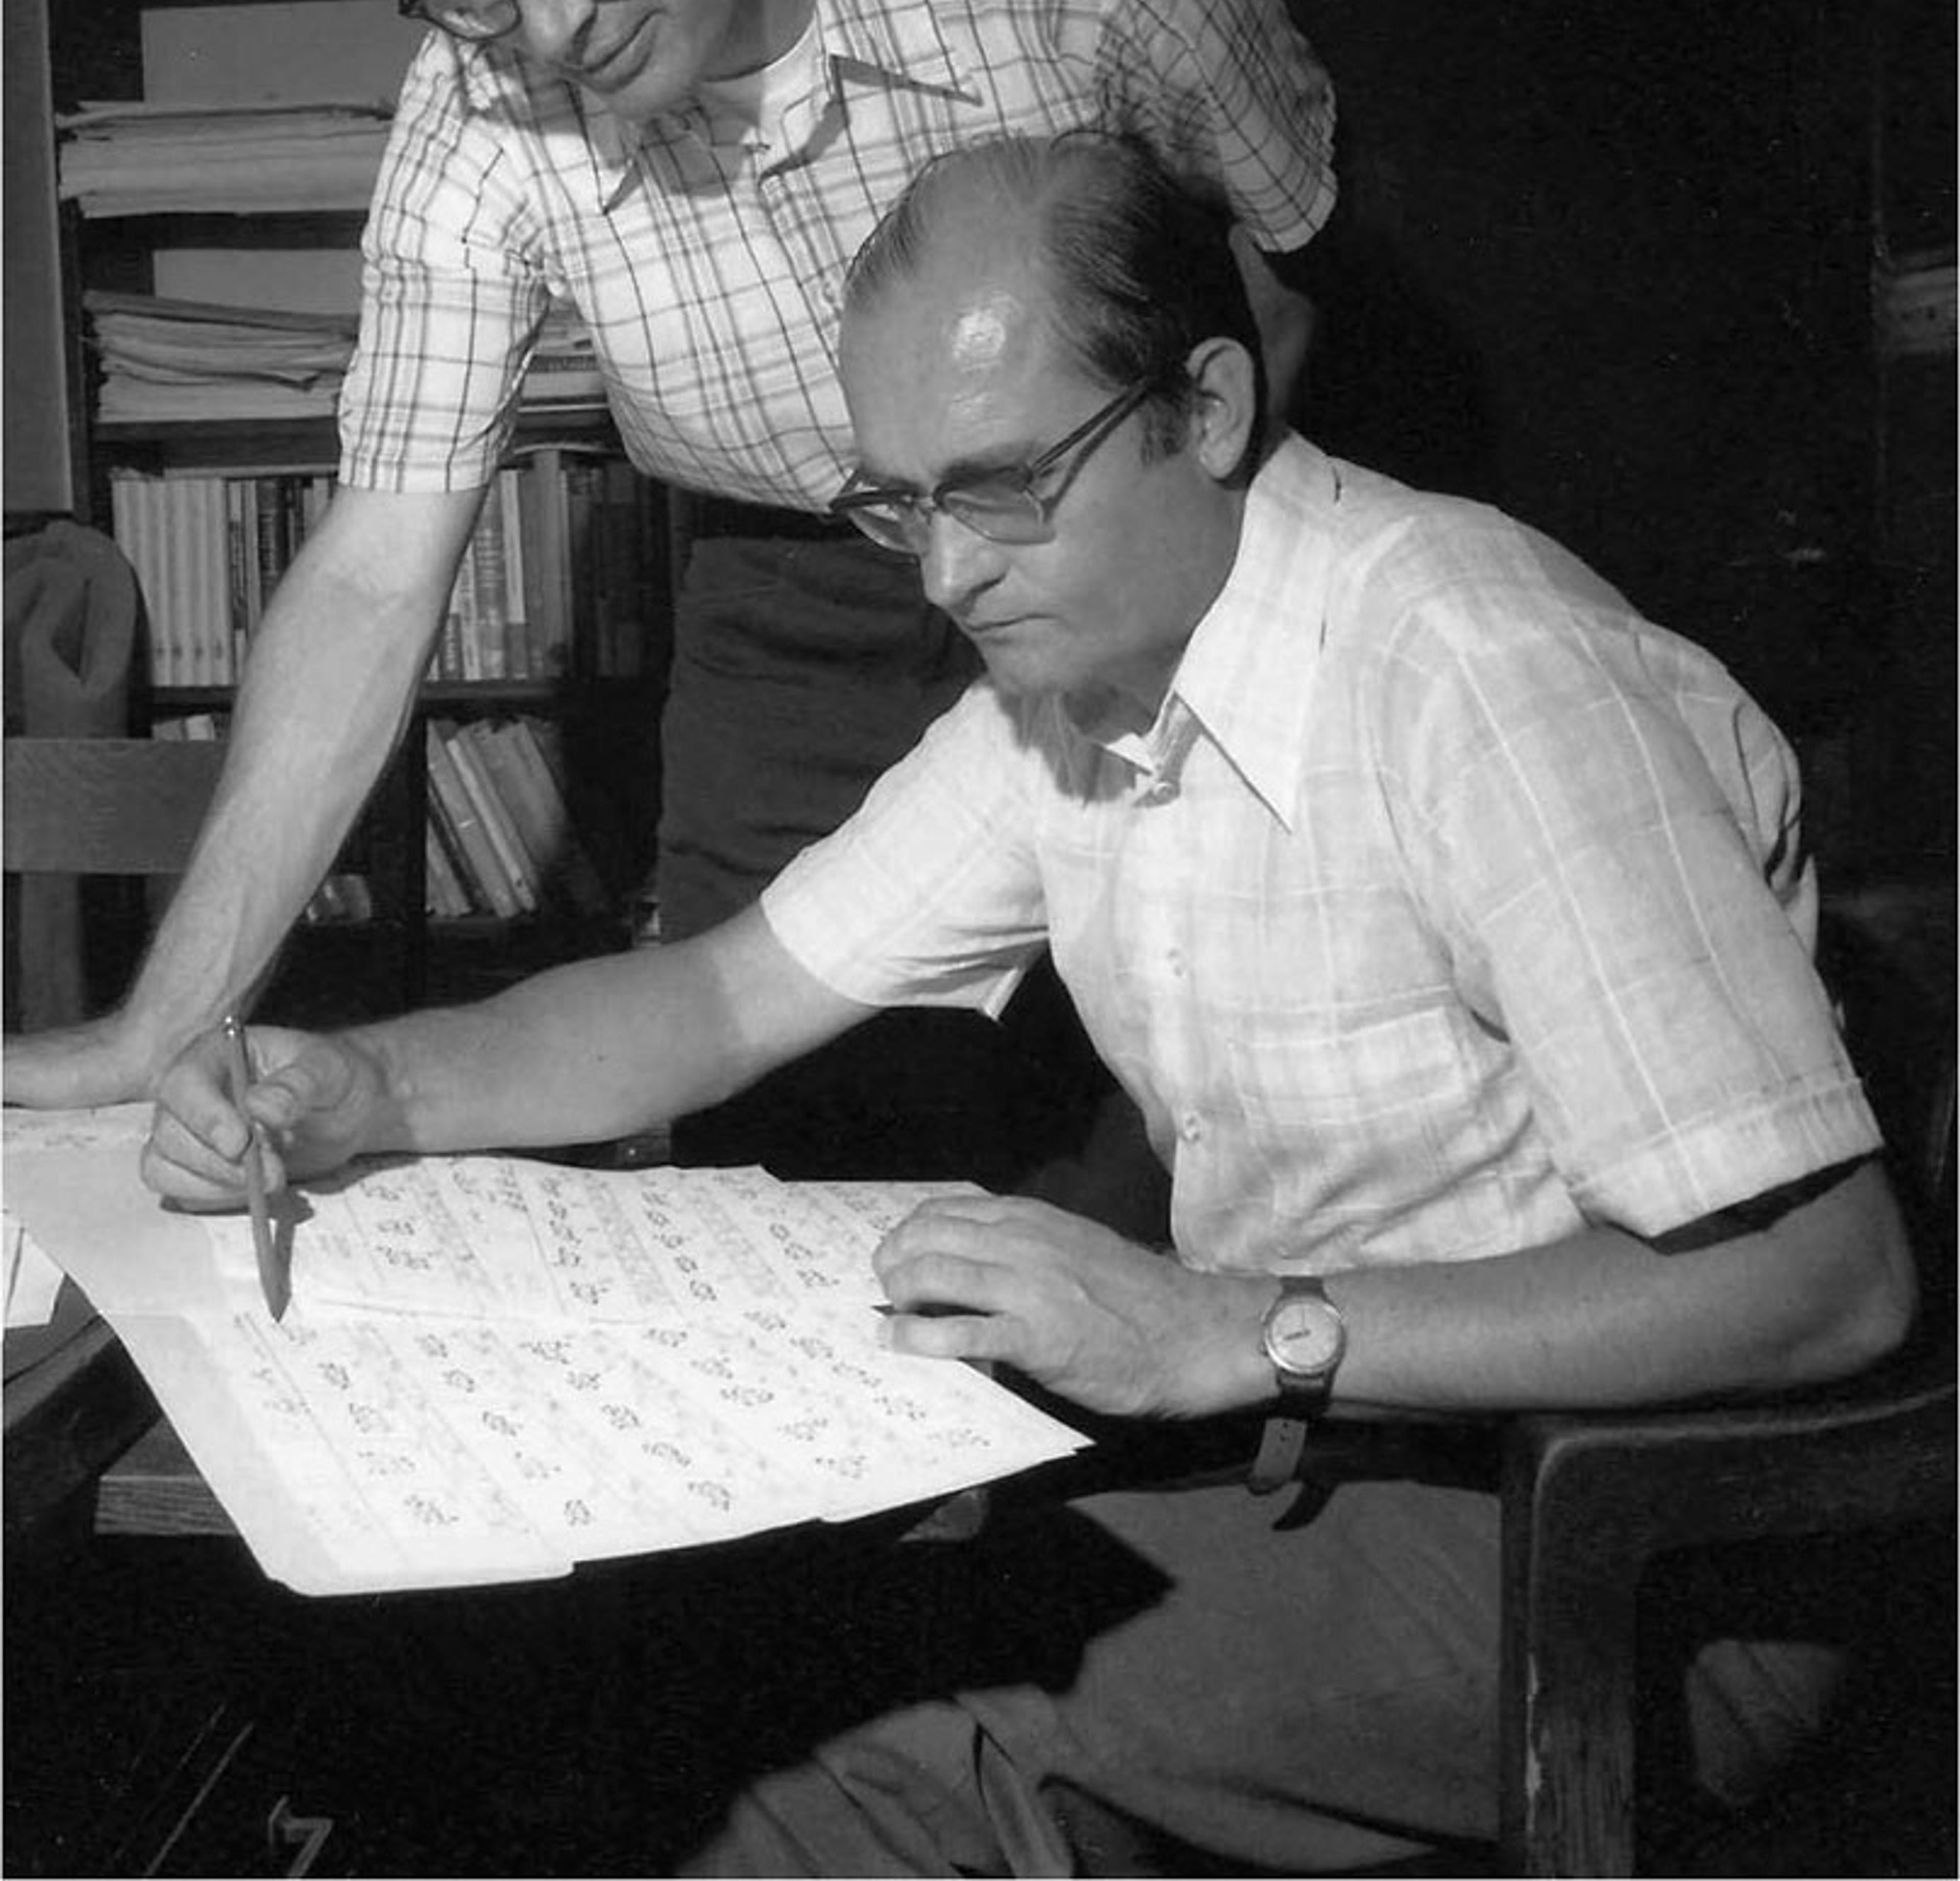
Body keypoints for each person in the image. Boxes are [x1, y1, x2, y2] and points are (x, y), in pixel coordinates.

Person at [144, 132, 1913, 1874]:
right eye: (901, 502)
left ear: (1205, 408)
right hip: (1328, 1462)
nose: (942, 573)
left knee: (844, 1770)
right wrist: (358, 1087)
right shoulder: (1080, 686)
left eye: (999, 487)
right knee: (698, 1659)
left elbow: (1827, 1277)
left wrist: (1232, 1330)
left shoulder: (1480, 672)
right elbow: (722, 996)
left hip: (1636, 1551)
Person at [6, 0, 1335, 1177]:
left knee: (1188, 1126)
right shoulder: (478, 108)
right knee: (780, 1159)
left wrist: (1179, 595)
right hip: (792, 598)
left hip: (1142, 542)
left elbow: (1286, 276)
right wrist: (163, 1027)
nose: (549, 30)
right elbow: (371, 577)